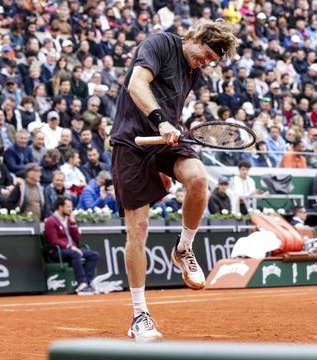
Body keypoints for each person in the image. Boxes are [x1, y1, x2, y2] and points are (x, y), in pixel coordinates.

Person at [109, 20, 238, 341]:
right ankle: (139, 315)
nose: (206, 63)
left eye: (213, 61)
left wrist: (168, 127)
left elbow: (170, 106)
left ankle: (184, 248)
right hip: (132, 141)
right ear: (195, 37)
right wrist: (160, 121)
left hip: (167, 136)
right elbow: (137, 85)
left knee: (198, 179)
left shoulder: (194, 68)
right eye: (206, 54)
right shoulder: (158, 44)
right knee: (137, 229)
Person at [44, 196, 101, 294]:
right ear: (60, 207)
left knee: (94, 255)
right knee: (75, 254)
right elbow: (53, 241)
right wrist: (70, 247)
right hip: (57, 251)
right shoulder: (50, 221)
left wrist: (73, 223)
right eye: (68, 206)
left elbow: (76, 238)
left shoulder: (70, 219)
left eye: (71, 206)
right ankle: (81, 284)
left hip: (72, 250)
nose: (71, 209)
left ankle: (86, 283)